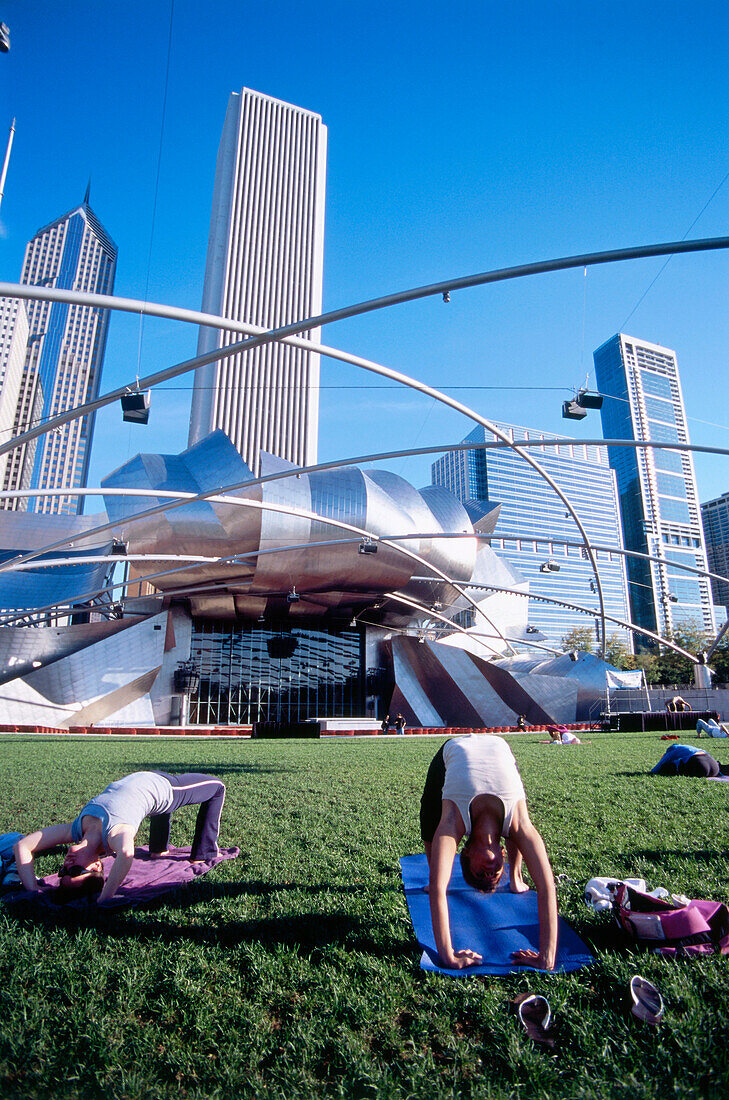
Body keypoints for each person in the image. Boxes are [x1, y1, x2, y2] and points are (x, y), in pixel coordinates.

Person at [419, 734, 558, 970]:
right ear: (501, 854)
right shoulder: (519, 824)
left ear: (465, 854)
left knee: (429, 815)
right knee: (517, 828)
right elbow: (546, 886)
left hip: (453, 746)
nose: (489, 872)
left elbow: (439, 890)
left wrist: (449, 957)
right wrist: (546, 957)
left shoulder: (452, 822)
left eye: (480, 874)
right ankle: (513, 875)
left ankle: (515, 876)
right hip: (497, 743)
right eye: (494, 875)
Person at [13, 771, 226, 903]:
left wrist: (32, 888)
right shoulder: (115, 835)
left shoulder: (75, 830)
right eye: (75, 871)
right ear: (97, 867)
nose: (66, 865)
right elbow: (126, 853)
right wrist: (106, 896)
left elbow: (22, 846)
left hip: (145, 778)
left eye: (63, 871)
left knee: (150, 806)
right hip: (167, 788)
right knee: (217, 787)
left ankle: (158, 849)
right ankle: (203, 853)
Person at [651, 744, 723, 777]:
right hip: (714, 767)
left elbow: (659, 766)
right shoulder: (688, 749)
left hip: (700, 766)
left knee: (666, 767)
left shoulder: (673, 749)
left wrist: (652, 772)